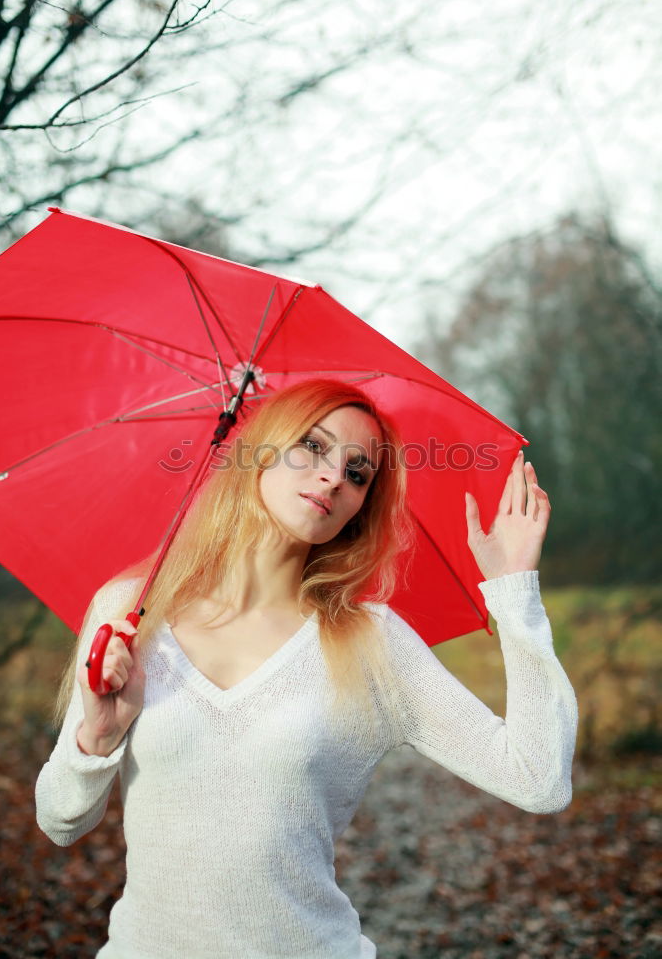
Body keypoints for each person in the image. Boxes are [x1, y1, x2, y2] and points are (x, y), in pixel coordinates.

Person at [36, 378, 578, 959]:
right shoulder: (130, 613)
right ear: (259, 450)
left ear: (358, 510)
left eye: (358, 473)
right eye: (314, 447)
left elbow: (537, 778)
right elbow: (60, 821)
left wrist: (513, 592)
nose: (333, 478)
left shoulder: (370, 643)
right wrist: (97, 736)